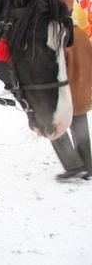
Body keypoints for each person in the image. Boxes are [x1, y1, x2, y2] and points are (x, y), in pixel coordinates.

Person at [50, 24, 92, 180]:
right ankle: (87, 166)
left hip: (66, 93)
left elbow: (58, 67)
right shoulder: (81, 34)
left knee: (51, 126)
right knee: (81, 131)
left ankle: (72, 165)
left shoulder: (62, 37)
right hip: (82, 92)